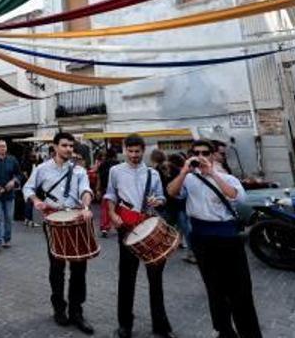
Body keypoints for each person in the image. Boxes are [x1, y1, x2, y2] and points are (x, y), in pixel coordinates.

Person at [167, 140, 261, 338]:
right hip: (201, 238)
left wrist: (212, 173)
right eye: (196, 152)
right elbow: (171, 192)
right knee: (213, 287)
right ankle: (224, 330)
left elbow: (237, 197)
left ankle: (249, 333)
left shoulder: (226, 177)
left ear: (212, 155)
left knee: (240, 290)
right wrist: (184, 171)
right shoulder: (189, 178)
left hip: (227, 237)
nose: (201, 156)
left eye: (206, 152)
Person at [103, 134, 176, 338]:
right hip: (126, 227)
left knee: (156, 279)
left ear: (143, 150)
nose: (134, 155)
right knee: (127, 278)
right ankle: (125, 325)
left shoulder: (152, 173)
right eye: (130, 151)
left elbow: (162, 197)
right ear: (125, 150)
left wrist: (158, 201)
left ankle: (160, 325)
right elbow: (110, 194)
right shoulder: (115, 171)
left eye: (137, 151)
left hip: (149, 226)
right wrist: (112, 213)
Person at [22, 132, 95, 335]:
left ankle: (77, 312)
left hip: (76, 219)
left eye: (71, 146)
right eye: (64, 145)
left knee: (79, 268)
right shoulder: (42, 169)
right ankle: (59, 308)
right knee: (57, 267)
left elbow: (86, 191)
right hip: (53, 221)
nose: (69, 149)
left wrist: (87, 206)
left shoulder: (79, 170)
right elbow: (27, 188)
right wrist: (36, 201)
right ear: (55, 147)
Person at [97, 148, 120, 237]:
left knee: (105, 209)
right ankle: (119, 225)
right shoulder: (118, 164)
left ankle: (104, 227)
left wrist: (97, 189)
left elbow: (99, 178)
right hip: (117, 189)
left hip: (105, 189)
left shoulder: (102, 164)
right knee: (118, 208)